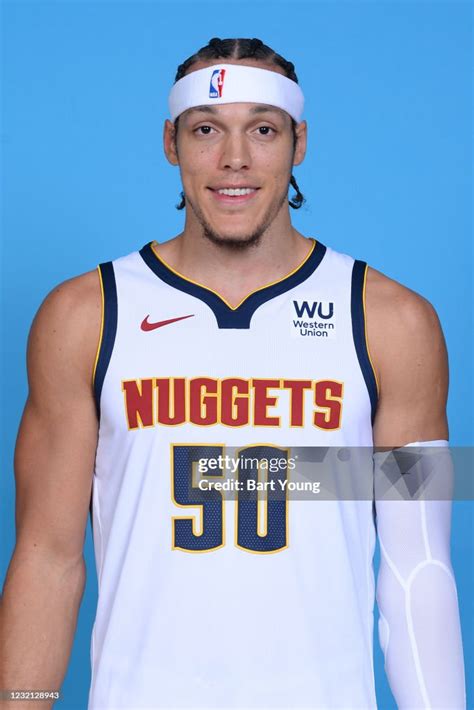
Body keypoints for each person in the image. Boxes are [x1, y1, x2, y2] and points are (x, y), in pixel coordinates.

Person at [1, 37, 466, 710]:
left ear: (299, 142)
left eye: (263, 130)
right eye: (207, 130)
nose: (234, 160)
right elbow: (47, 557)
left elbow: (417, 568)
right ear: (172, 143)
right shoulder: (85, 317)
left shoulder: (393, 324)